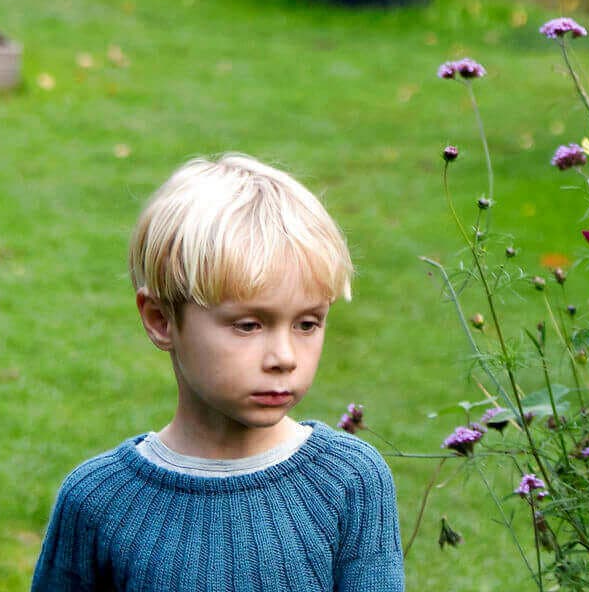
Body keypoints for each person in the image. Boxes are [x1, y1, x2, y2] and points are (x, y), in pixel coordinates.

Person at [30, 153, 404, 591]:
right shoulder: (97, 501)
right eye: (248, 325)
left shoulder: (350, 481)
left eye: (307, 323)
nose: (284, 356)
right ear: (161, 320)